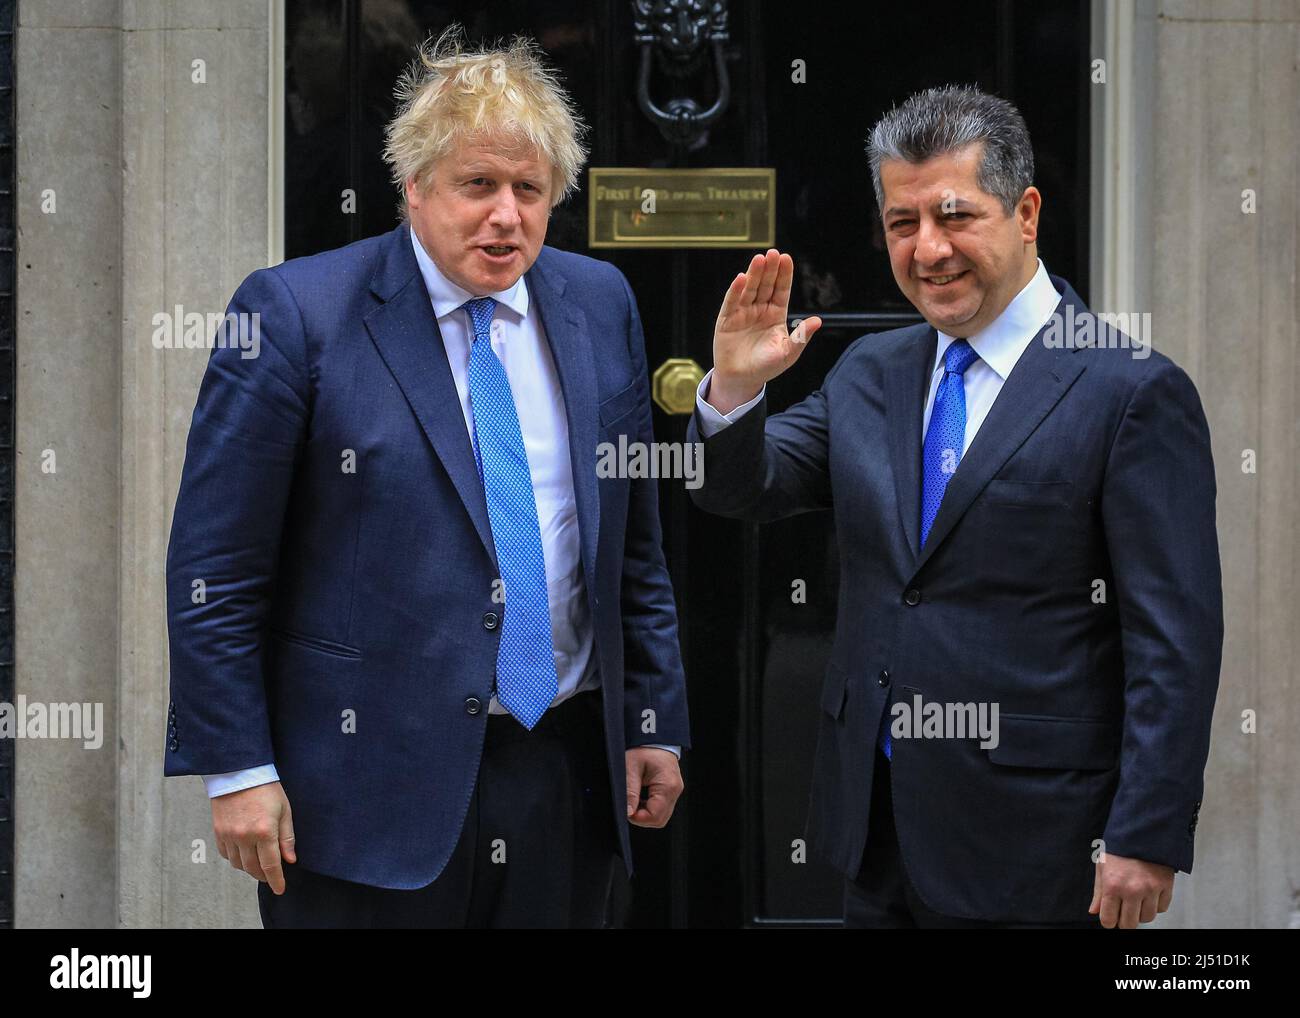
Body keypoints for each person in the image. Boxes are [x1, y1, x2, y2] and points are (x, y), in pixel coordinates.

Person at [163, 28, 689, 928]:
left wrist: (651, 717)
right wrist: (239, 769)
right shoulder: (298, 313)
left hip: (557, 766)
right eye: (476, 186)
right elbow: (218, 563)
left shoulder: (599, 305)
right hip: (362, 789)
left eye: (529, 190)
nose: (506, 216)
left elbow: (631, 549)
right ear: (413, 188)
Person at [688, 85, 1222, 929]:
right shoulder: (871, 372)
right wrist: (736, 389)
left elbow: (1175, 640)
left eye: (954, 216)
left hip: (1042, 847)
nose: (928, 249)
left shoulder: (1132, 392)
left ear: (1027, 212)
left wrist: (1147, 831)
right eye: (903, 224)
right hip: (876, 827)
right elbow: (740, 489)